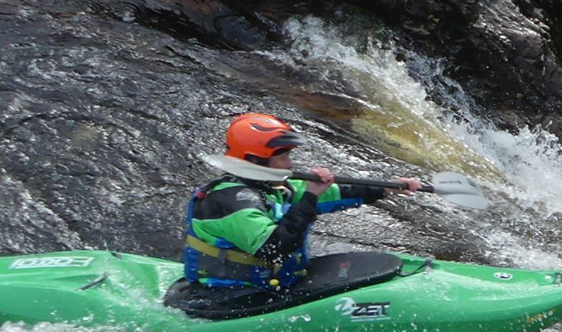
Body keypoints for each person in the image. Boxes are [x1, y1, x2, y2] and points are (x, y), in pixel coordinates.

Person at [180, 112, 421, 297]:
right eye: (283, 158)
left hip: (268, 284)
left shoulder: (266, 187)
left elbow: (334, 194)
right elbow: (273, 248)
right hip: (230, 293)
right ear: (255, 160)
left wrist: (387, 187)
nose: (289, 164)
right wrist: (309, 198)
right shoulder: (232, 201)